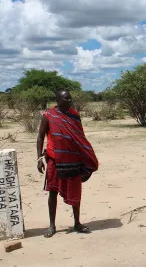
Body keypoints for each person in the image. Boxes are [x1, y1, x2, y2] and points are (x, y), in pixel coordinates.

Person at [36, 90, 99, 238]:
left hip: (73, 159)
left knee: (76, 191)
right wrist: (39, 158)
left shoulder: (74, 115)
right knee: (52, 192)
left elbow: (79, 137)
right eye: (66, 98)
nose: (69, 100)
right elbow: (40, 137)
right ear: (58, 100)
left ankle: (77, 223)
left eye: (70, 98)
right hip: (54, 160)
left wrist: (86, 154)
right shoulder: (48, 116)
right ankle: (52, 226)